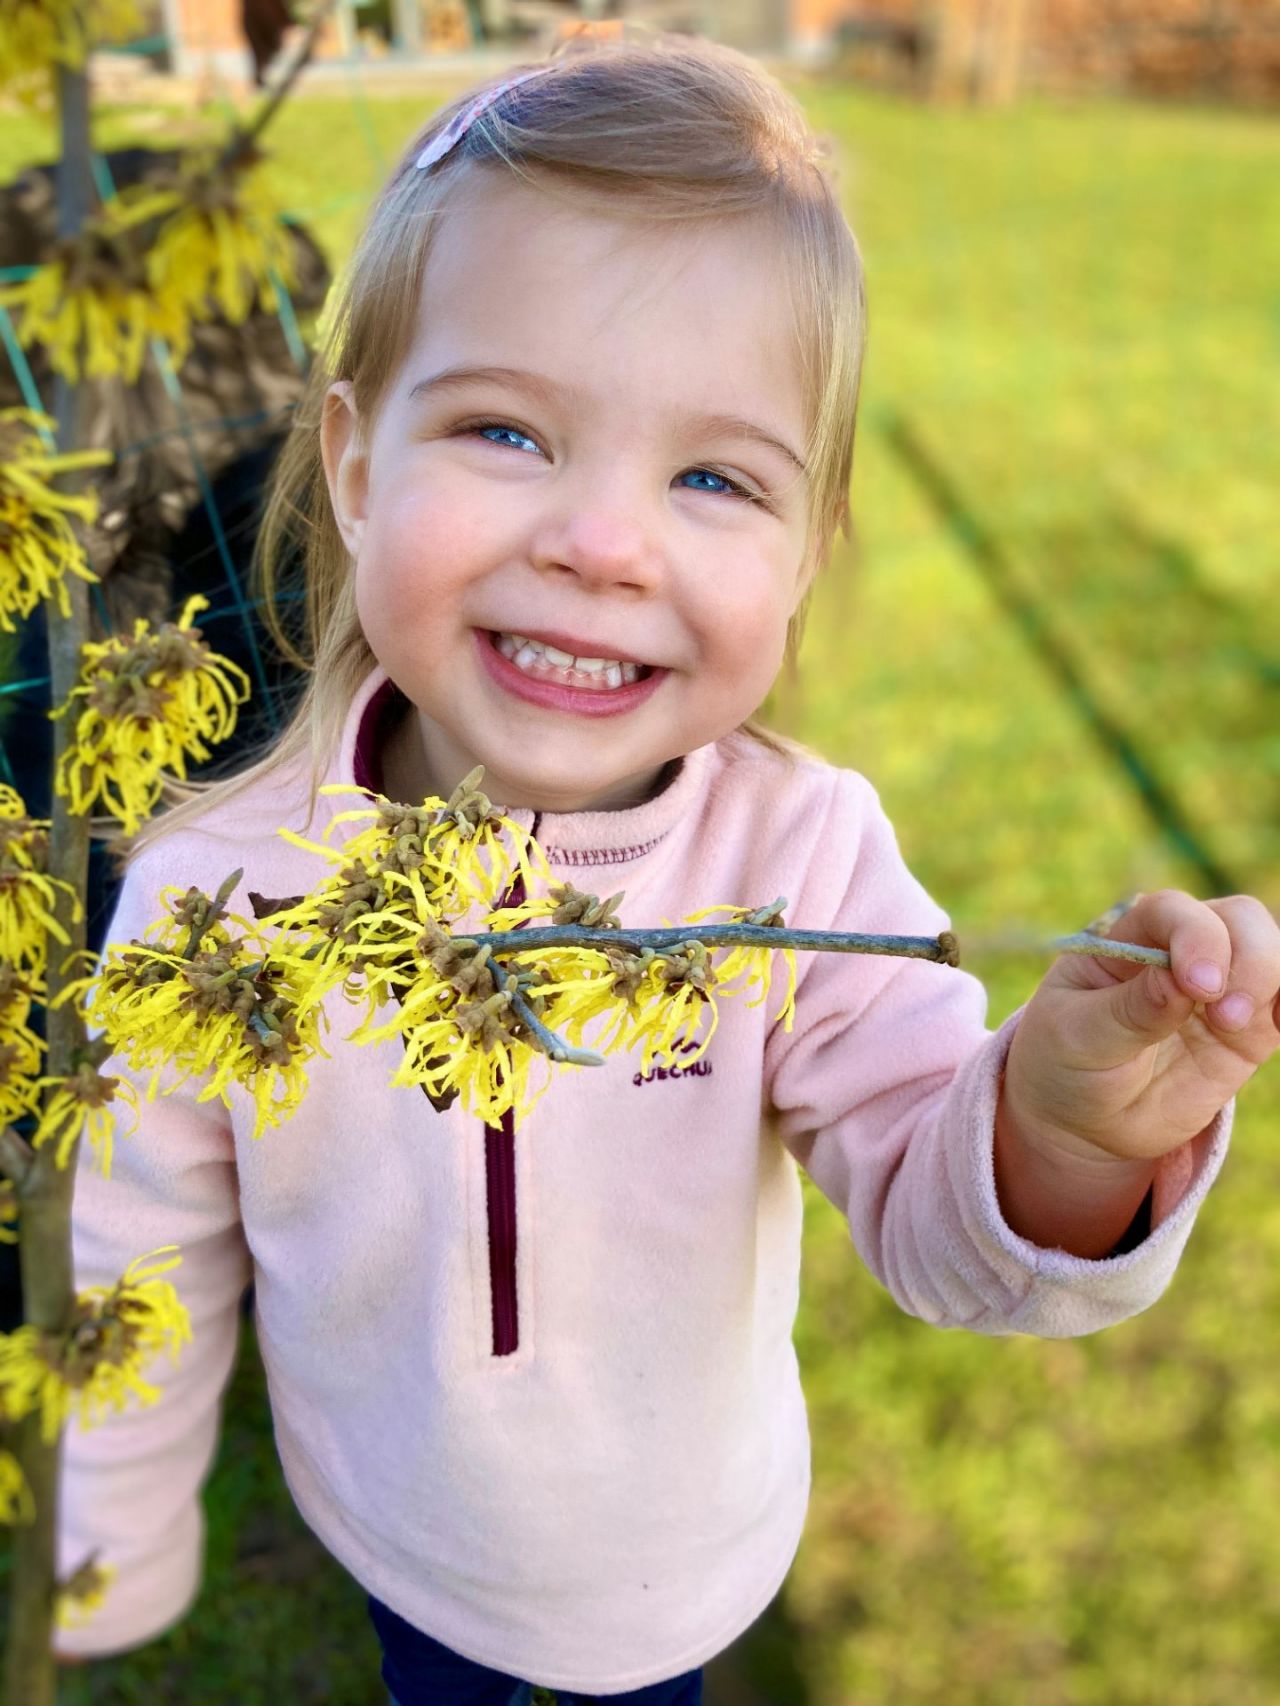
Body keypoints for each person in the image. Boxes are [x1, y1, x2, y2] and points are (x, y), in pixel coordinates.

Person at [56, 32, 1280, 1706]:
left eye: (712, 476)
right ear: (353, 467)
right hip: (396, 1532)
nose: (604, 544)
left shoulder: (797, 862)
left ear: (804, 555)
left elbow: (941, 1223)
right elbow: (138, 1242)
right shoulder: (217, 891)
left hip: (674, 1576)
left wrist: (1063, 1136)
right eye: (505, 431)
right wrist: (107, 1543)